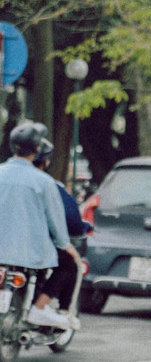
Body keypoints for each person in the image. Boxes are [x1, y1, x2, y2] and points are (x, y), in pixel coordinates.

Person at [0, 122, 81, 330]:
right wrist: (66, 246)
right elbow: (56, 220)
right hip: (30, 253)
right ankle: (39, 307)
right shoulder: (44, 182)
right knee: (69, 264)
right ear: (37, 150)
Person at [32, 136, 91, 327]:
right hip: (35, 248)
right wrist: (66, 243)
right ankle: (44, 308)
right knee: (69, 263)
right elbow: (68, 220)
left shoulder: (4, 175)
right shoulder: (49, 185)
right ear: (46, 161)